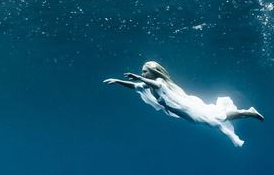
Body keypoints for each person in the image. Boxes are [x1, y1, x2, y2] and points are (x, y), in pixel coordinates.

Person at [104, 61, 263, 147]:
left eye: (145, 71)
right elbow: (135, 86)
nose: (143, 73)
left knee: (217, 119)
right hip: (187, 113)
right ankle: (247, 112)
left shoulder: (159, 82)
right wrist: (118, 81)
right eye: (142, 72)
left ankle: (248, 112)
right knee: (216, 119)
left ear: (154, 72)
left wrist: (139, 77)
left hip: (188, 109)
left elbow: (158, 85)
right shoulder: (147, 85)